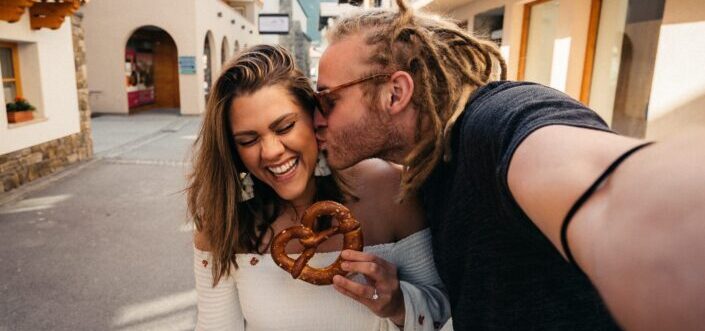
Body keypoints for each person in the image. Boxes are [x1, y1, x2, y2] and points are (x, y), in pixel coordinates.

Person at [313, 1, 705, 330]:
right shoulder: (432, 167)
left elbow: (610, 192)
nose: (317, 119)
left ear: (395, 93)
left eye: (328, 101)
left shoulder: (495, 123)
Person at [186, 44, 451, 331]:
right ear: (233, 150)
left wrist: (399, 305)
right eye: (249, 140)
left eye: (285, 127)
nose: (271, 151)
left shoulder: (390, 190)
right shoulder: (222, 221)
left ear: (314, 116)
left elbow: (447, 314)